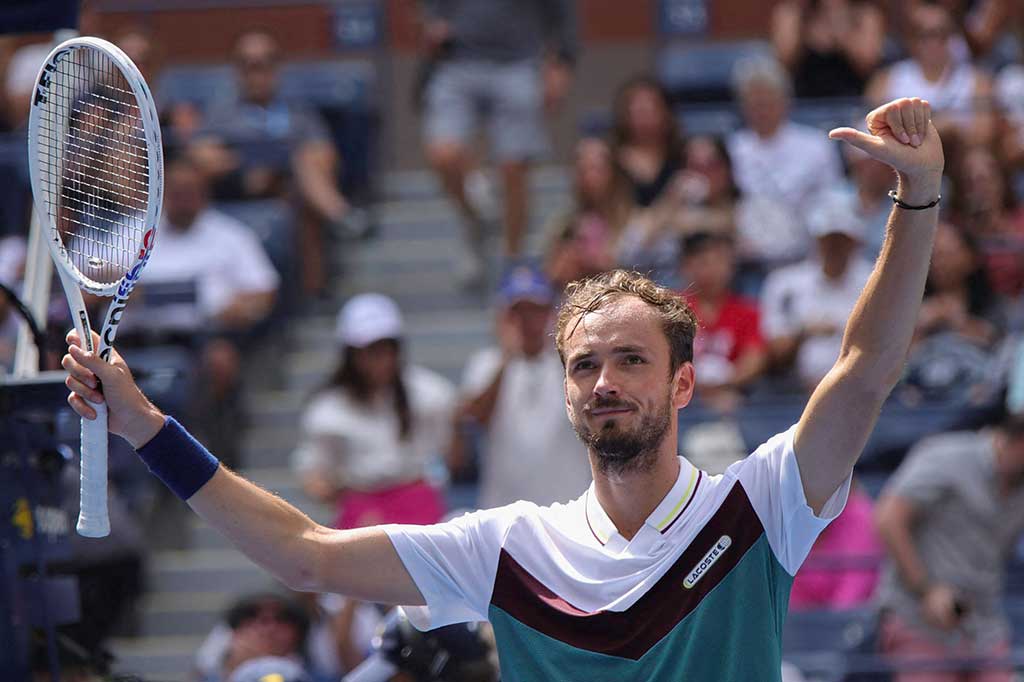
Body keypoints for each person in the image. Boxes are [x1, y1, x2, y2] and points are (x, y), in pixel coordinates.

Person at [61, 97, 944, 681]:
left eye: (631, 361)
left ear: (683, 385)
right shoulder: (508, 548)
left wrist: (917, 200)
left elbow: (863, 367)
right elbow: (306, 554)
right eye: (584, 366)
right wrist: (143, 425)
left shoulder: (763, 506)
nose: (604, 381)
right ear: (565, 393)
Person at [126, 156, 280, 466]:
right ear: (162, 193)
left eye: (190, 192)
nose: (182, 200)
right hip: (135, 339)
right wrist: (117, 285)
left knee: (221, 361)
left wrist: (236, 307)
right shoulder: (130, 231)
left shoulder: (230, 236)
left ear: (204, 193)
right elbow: (90, 279)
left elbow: (265, 292)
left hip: (200, 338)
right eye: (175, 192)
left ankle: (212, 448)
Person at [193, 30, 363, 294]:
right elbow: (202, 155)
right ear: (237, 70)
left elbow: (326, 155)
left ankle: (311, 298)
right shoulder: (223, 113)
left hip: (292, 190)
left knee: (304, 172)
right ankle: (341, 215)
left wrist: (281, 164)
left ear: (277, 66)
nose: (258, 72)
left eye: (266, 63)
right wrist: (250, 163)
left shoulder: (298, 112)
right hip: (241, 190)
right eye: (249, 64)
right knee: (301, 169)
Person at [418, 0, 577, 283]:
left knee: (514, 165)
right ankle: (473, 220)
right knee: (443, 154)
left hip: (519, 63)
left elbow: (562, 12)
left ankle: (512, 261)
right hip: (457, 62)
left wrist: (560, 64)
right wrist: (431, 22)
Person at [874, 415, 1024, 681]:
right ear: (1017, 442)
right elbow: (889, 517)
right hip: (919, 619)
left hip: (984, 625)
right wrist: (927, 590)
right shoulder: (947, 457)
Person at [291, 293, 455, 530]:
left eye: (385, 349)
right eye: (368, 351)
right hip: (362, 510)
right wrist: (344, 496)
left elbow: (450, 453)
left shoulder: (431, 393)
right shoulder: (327, 410)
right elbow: (314, 474)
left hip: (419, 505)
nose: (378, 360)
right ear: (350, 356)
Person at [448, 266, 591, 508]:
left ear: (550, 314)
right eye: (517, 313)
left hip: (570, 504)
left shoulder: (571, 362)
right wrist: (507, 358)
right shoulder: (486, 364)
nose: (527, 321)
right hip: (505, 510)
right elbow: (476, 420)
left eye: (535, 311)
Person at [761, 190, 875, 391]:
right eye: (829, 239)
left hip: (861, 387)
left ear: (854, 241)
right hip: (794, 390)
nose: (835, 247)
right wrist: (804, 332)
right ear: (817, 240)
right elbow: (775, 351)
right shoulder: (785, 283)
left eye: (842, 240)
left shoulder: (873, 281)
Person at [727, 56, 845, 228]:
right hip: (749, 242)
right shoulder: (733, 147)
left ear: (785, 101)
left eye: (768, 102)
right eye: (755, 104)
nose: (762, 111)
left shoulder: (816, 145)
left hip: (808, 238)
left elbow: (832, 198)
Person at [865, 2, 995, 146]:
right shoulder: (886, 79)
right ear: (911, 40)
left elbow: (984, 136)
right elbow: (870, 129)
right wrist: (942, 126)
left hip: (957, 157)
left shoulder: (977, 81)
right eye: (925, 35)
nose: (934, 43)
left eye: (941, 34)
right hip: (903, 158)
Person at [679, 232, 767, 412]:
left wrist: (724, 383)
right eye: (704, 263)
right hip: (680, 393)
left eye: (719, 262)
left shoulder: (747, 311)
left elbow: (754, 359)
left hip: (731, 398)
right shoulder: (672, 308)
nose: (712, 270)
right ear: (687, 267)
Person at [543, 137, 637, 289]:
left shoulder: (636, 219)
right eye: (583, 170)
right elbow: (552, 273)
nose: (590, 176)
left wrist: (592, 262)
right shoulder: (566, 223)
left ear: (613, 172)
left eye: (596, 168)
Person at [789, 480, 882, 610]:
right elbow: (789, 603)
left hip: (848, 624)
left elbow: (850, 599)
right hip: (800, 624)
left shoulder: (860, 518)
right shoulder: (788, 518)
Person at [771, 0, 886, 98]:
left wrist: (839, 25)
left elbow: (867, 62)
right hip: (804, 104)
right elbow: (784, 61)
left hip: (853, 102)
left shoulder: (865, 13)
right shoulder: (794, 12)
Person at [192, 592, 313, 682]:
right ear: (234, 633)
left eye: (283, 617)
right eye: (251, 615)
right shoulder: (209, 676)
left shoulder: (319, 675)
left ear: (298, 634)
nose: (268, 628)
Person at [609, 76, 685, 208]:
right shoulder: (611, 161)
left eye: (649, 107)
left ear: (666, 112)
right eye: (636, 108)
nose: (643, 114)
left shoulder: (684, 158)